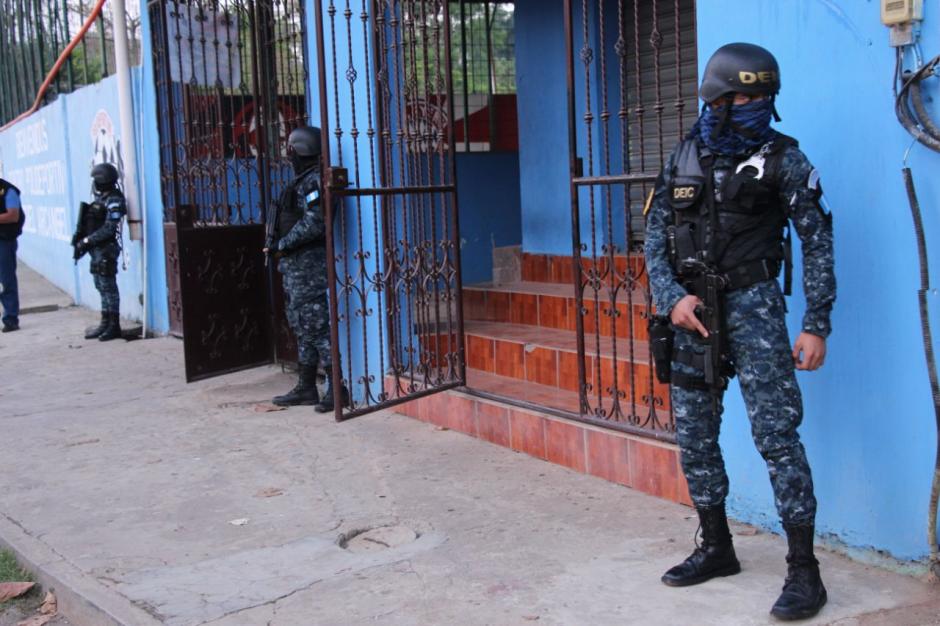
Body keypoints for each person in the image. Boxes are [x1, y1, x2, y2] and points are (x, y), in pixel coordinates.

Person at [644, 43, 835, 621]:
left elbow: (818, 241)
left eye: (763, 98)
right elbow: (654, 238)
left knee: (777, 436)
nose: (757, 107)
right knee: (695, 435)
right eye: (747, 98)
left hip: (755, 311)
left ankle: (804, 570)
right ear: (718, 100)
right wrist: (672, 299)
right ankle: (716, 546)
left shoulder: (786, 159)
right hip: (692, 316)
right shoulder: (683, 156)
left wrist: (816, 324)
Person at [265, 126, 347, 411]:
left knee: (318, 328)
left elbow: (316, 222)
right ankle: (306, 386)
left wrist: (283, 244)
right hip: (296, 267)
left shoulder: (313, 182)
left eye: (291, 152)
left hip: (308, 268)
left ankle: (337, 389)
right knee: (303, 326)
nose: (289, 158)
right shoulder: (304, 181)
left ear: (299, 152)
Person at [72, 163, 126, 341]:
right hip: (96, 250)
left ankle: (114, 325)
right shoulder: (101, 199)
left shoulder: (114, 200)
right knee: (100, 285)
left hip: (106, 249)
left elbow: (110, 228)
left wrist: (87, 241)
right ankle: (105, 322)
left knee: (109, 287)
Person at [0, 177, 24, 333]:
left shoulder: (8, 190)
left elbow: (13, 215)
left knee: (6, 280)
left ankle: (10, 319)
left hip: (4, 241)